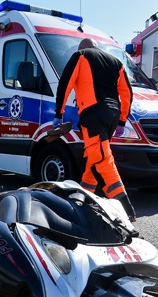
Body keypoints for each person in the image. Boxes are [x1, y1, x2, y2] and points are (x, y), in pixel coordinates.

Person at [54, 37, 136, 221]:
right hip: (112, 115)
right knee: (96, 155)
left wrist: (58, 113)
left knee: (101, 160)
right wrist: (122, 119)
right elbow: (127, 93)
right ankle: (83, 199)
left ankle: (125, 208)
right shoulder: (116, 62)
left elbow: (65, 84)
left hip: (93, 114)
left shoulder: (80, 55)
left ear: (83, 47)